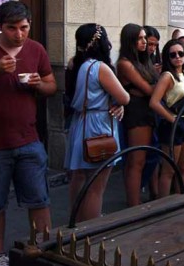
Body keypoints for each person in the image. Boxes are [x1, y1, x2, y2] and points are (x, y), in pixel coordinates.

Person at [0, 0, 57, 266]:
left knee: (39, 199)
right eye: (12, 28)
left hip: (28, 140)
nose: (19, 34)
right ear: (0, 26)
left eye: (24, 27)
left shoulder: (36, 49)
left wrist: (39, 84)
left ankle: (43, 251)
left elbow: (52, 84)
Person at [64, 24, 129, 222]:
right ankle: (91, 228)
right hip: (98, 124)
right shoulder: (99, 67)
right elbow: (124, 97)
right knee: (96, 185)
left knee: (79, 177)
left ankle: (75, 222)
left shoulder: (74, 64)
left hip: (80, 121)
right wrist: (119, 103)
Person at [150, 39, 184, 196]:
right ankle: (163, 207)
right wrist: (172, 119)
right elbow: (154, 102)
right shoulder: (167, 76)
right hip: (175, 124)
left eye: (181, 53)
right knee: (169, 170)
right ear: (167, 57)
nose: (178, 57)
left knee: (183, 167)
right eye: (173, 55)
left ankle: (182, 201)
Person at [117, 23, 158, 206]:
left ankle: (139, 201)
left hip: (146, 110)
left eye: (144, 38)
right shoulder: (125, 63)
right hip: (136, 112)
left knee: (145, 158)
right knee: (136, 160)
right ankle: (133, 205)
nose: (143, 42)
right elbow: (149, 89)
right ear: (130, 41)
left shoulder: (143, 61)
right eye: (139, 38)